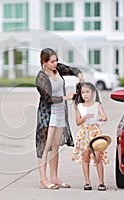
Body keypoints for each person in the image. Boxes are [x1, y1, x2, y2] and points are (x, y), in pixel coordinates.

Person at [35, 48, 84, 189]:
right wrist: (66, 97)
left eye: (56, 60)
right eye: (52, 61)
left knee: (55, 146)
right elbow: (48, 98)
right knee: (45, 146)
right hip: (48, 115)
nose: (55, 63)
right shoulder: (41, 77)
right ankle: (43, 180)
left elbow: (73, 70)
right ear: (44, 62)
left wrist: (79, 76)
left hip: (61, 113)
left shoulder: (58, 69)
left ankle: (54, 177)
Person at [71, 82, 109, 191]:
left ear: (92, 93)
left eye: (87, 92)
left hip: (95, 132)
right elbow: (78, 122)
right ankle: (87, 182)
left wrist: (101, 119)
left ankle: (101, 182)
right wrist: (85, 118)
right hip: (84, 133)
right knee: (85, 157)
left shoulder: (97, 105)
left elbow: (104, 117)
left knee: (98, 156)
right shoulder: (79, 106)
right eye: (83, 92)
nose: (85, 94)